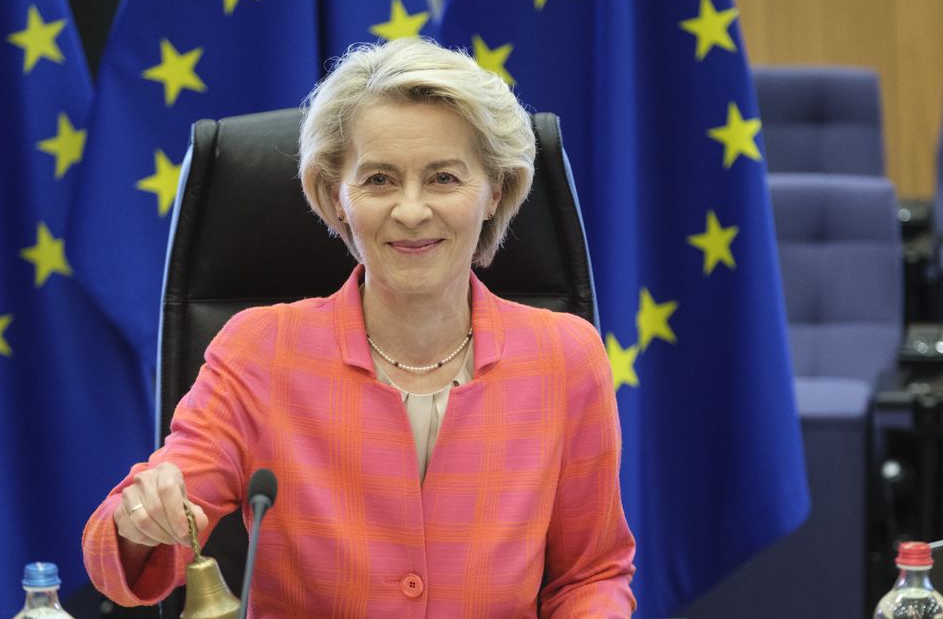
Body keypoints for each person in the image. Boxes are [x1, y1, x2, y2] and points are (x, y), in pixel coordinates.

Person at [82, 38, 636, 617]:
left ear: (495, 191)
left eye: (445, 178)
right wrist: (142, 520)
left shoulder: (565, 356)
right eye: (378, 180)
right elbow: (124, 554)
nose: (412, 210)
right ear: (335, 196)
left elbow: (591, 575)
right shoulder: (259, 351)